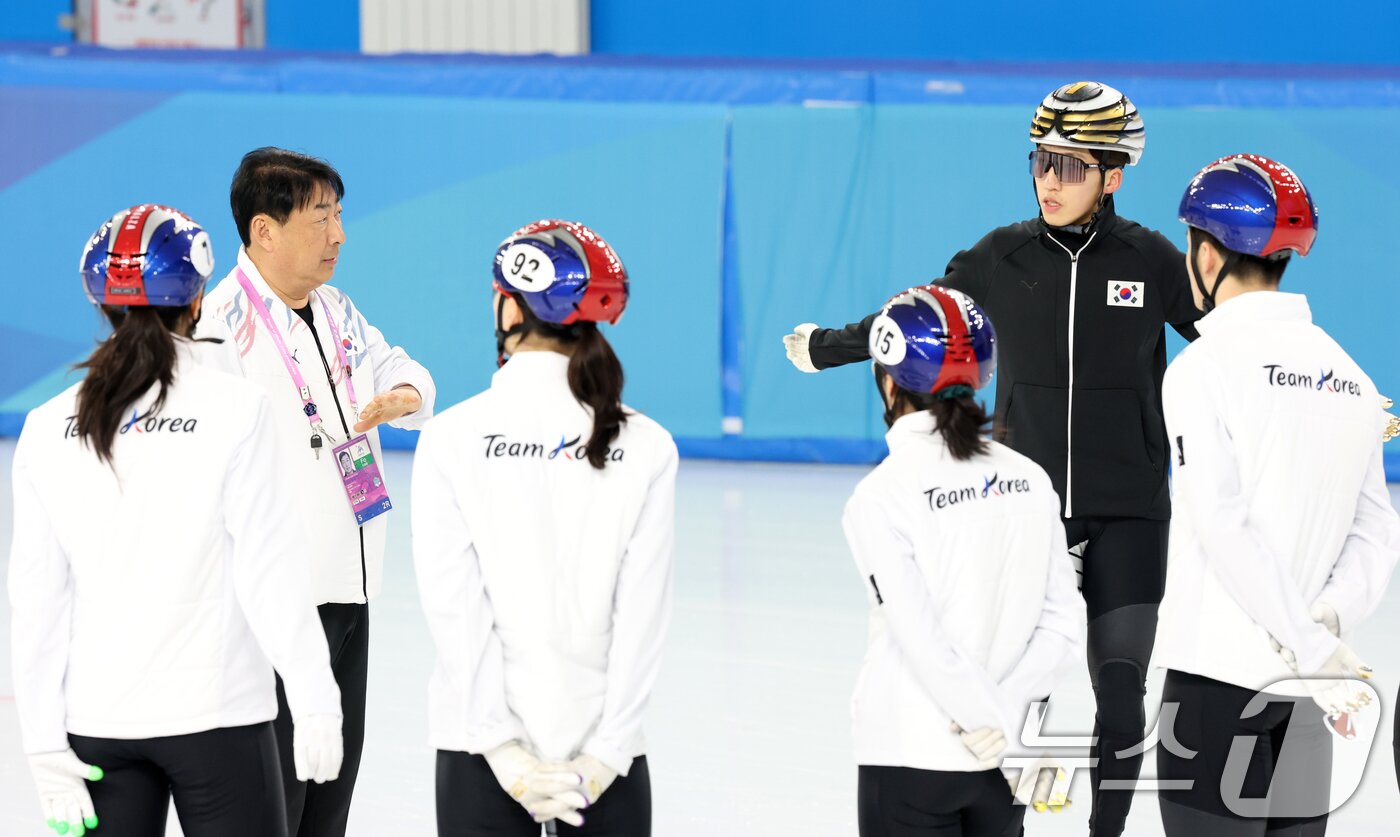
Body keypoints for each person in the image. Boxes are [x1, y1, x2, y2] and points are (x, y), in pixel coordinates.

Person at [783, 80, 1201, 835]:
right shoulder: (999, 256)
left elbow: (1230, 344)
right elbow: (912, 318)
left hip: (1130, 507)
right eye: (1042, 161)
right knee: (1006, 674)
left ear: (1114, 174)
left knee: (1118, 682)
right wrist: (827, 346)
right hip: (1027, 503)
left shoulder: (1154, 259)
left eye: (1072, 166)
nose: (1050, 179)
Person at [9, 205, 344, 837]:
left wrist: (42, 746)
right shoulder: (238, 409)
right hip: (217, 720)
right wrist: (315, 700)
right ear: (195, 299)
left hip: (96, 724)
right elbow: (270, 570)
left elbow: (35, 601)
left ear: (100, 302)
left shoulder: (47, 425)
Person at [1155, 154, 1400, 835]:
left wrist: (1309, 644)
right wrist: (1323, 623)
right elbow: (1378, 530)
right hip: (1307, 700)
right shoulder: (1350, 376)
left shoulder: (1202, 369)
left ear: (1208, 254)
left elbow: (1220, 521)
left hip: (1214, 687)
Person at [197, 147, 437, 837]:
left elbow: (402, 365)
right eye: (321, 217)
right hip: (270, 606)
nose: (338, 234)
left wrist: (405, 393)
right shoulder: (218, 328)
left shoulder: (336, 310)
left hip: (350, 586)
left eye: (339, 215)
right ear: (264, 230)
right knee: (273, 800)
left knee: (329, 795)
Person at [413, 219, 676, 836]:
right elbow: (644, 616)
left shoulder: (451, 438)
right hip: (607, 760)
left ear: (510, 305)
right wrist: (606, 756)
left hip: (476, 755)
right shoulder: (648, 444)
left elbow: (455, 609)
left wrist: (502, 751)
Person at [843, 284, 1084, 836]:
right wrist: (1006, 721)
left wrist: (987, 718)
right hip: (1006, 763)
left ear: (887, 383)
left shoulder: (882, 496)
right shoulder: (1030, 478)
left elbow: (921, 638)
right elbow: (1065, 626)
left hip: (913, 752)